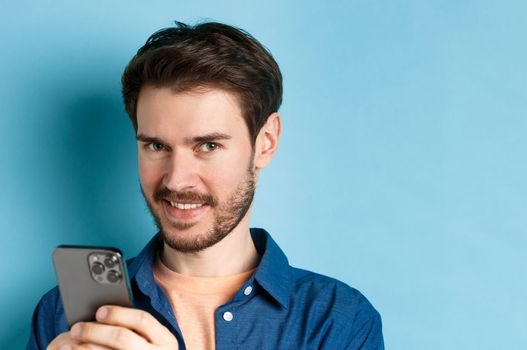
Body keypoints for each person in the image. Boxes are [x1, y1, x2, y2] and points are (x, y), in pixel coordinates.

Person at [28, 21, 383, 350]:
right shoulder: (59, 314)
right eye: (156, 146)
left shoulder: (339, 321)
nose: (177, 179)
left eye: (208, 146)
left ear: (266, 143)